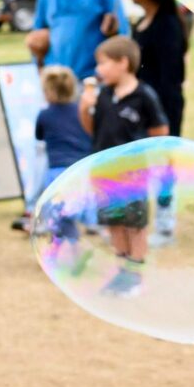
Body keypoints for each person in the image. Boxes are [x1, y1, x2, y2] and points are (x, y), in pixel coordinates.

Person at [79, 35, 169, 290]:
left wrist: (151, 159)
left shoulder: (144, 96)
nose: (98, 70)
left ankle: (135, 275)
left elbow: (160, 129)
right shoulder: (104, 95)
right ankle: (122, 272)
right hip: (104, 172)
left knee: (135, 225)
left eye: (104, 63)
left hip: (133, 175)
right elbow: (92, 131)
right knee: (114, 222)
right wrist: (85, 108)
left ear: (123, 63)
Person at [129, 0, 190, 140]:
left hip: (162, 103)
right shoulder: (140, 21)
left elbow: (171, 73)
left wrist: (160, 111)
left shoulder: (167, 24)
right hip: (141, 103)